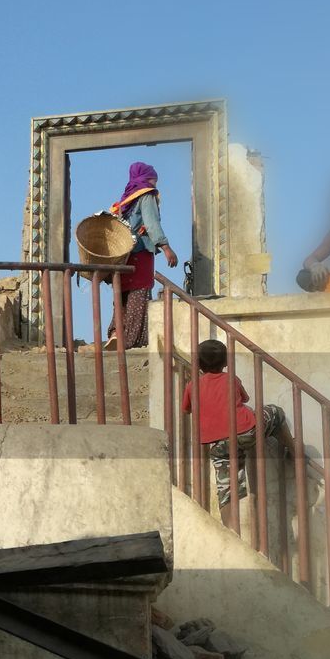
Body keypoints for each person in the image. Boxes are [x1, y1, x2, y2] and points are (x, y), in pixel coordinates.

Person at [182, 339, 294, 518]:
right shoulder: (231, 379)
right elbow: (246, 398)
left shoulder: (191, 386)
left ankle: (231, 536)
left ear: (198, 364)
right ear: (226, 362)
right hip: (247, 431)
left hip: (219, 444)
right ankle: (295, 450)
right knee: (275, 412)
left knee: (226, 492)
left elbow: (187, 410)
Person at [109, 162, 178, 347]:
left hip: (124, 255)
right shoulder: (146, 195)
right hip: (141, 252)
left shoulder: (125, 200)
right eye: (154, 178)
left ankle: (116, 333)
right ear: (148, 178)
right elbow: (152, 223)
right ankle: (131, 340)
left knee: (122, 294)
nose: (156, 183)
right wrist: (165, 247)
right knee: (139, 294)